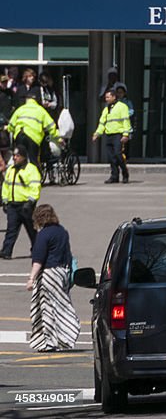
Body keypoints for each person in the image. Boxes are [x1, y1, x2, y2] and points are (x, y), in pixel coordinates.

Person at [25, 203, 79, 352]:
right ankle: (62, 338)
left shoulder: (43, 235)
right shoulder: (62, 232)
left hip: (49, 274)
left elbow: (38, 260)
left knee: (46, 308)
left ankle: (50, 341)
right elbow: (68, 254)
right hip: (62, 273)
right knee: (60, 305)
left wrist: (31, 279)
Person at [1, 146, 41, 259]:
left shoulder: (31, 169)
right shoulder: (11, 169)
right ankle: (6, 251)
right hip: (13, 205)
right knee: (11, 229)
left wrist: (31, 201)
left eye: (17, 156)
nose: (15, 158)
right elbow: (6, 186)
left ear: (24, 157)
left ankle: (37, 250)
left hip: (26, 205)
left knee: (31, 230)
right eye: (14, 155)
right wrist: (5, 200)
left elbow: (35, 186)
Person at [7, 95, 62, 169]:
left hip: (20, 135)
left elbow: (11, 125)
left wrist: (10, 130)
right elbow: (51, 125)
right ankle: (35, 177)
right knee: (33, 160)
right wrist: (57, 137)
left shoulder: (20, 109)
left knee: (20, 159)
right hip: (33, 137)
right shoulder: (41, 110)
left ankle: (19, 176)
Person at [93, 89, 131, 184]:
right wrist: (97, 133)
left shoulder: (122, 107)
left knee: (118, 155)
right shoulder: (106, 109)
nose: (106, 99)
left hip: (118, 134)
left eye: (108, 97)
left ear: (114, 97)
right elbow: (102, 123)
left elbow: (126, 121)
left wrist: (126, 134)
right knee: (111, 157)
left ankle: (125, 173)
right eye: (106, 97)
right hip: (109, 134)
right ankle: (114, 176)